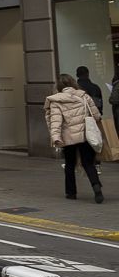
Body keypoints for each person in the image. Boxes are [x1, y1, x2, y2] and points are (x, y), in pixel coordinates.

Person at [45, 73, 103, 203]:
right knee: (88, 163)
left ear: (58, 86)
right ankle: (96, 186)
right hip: (85, 135)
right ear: (72, 83)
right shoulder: (83, 96)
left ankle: (71, 193)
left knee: (70, 165)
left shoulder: (56, 100)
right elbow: (97, 115)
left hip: (68, 137)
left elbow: (56, 122)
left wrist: (55, 138)